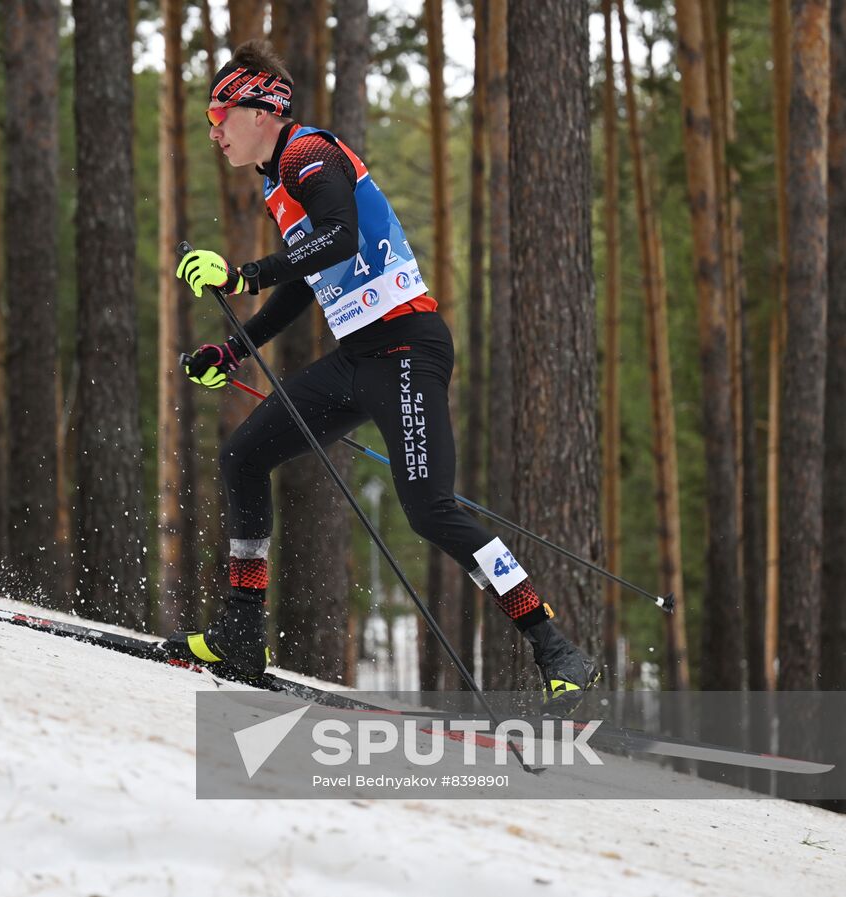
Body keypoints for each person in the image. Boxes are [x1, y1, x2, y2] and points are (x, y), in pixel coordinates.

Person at [161, 39, 599, 712]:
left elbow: (338, 236)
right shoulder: (278, 182)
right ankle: (243, 629)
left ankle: (554, 646)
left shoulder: (308, 152)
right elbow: (310, 274)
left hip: (406, 350)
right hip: (357, 358)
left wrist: (242, 274)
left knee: (429, 509)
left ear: (262, 110)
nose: (214, 130)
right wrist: (235, 349)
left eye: (221, 114)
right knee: (243, 456)